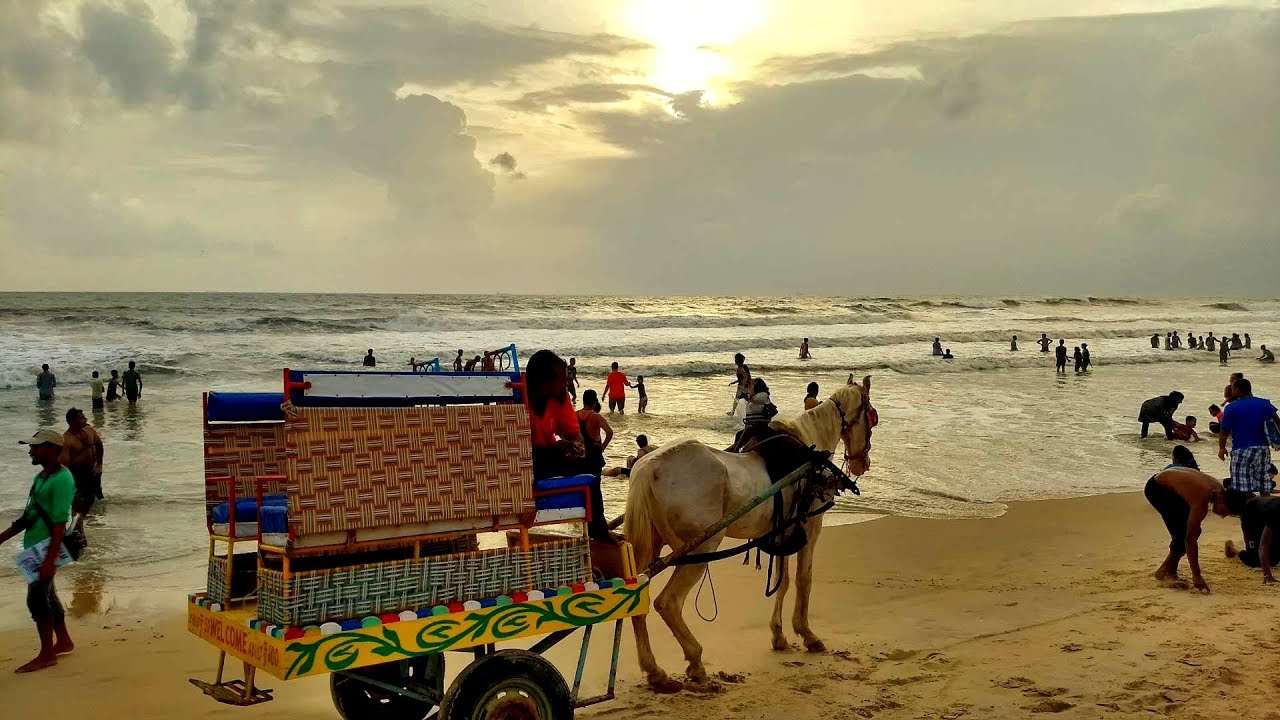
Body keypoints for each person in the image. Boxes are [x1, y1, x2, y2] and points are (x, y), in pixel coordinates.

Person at [0, 429, 77, 672]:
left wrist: (49, 560)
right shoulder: (42, 477)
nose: (31, 451)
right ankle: (63, 640)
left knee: (36, 600)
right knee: (48, 595)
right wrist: (1, 538)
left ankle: (46, 654)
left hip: (46, 548)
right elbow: (28, 516)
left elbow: (58, 523)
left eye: (35, 447)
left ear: (52, 450)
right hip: (35, 545)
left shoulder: (62, 479)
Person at [523, 350, 611, 541]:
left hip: (547, 456)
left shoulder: (560, 397)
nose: (565, 383)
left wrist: (576, 446)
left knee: (593, 459)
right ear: (544, 381)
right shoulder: (519, 396)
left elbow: (573, 432)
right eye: (561, 380)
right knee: (544, 453)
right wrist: (557, 446)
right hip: (524, 460)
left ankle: (598, 529)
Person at [1144, 446, 1243, 593]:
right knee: (1183, 535)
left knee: (1188, 532)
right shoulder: (1202, 496)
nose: (1222, 516)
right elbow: (1190, 540)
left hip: (1171, 485)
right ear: (1222, 500)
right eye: (1225, 512)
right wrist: (1197, 576)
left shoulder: (1218, 489)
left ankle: (1166, 569)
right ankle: (1165, 572)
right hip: (1158, 488)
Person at [1218, 378, 1280, 495]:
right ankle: (1265, 509)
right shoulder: (1264, 403)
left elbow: (1224, 430)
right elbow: (1278, 422)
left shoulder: (1231, 407)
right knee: (1264, 485)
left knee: (1242, 488)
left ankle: (1246, 511)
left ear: (1237, 390)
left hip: (1242, 449)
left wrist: (1222, 447)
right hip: (1262, 449)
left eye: (1232, 389)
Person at [1225, 493, 1280, 582]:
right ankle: (1232, 549)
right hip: (1250, 515)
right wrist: (1268, 576)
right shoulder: (1275, 514)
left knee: (1275, 557)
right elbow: (1263, 546)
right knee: (1254, 559)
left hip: (1265, 513)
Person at [61, 408, 104, 519]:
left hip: (93, 470)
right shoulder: (67, 439)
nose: (86, 419)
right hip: (78, 473)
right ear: (73, 421)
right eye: (82, 417)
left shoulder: (89, 430)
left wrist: (99, 464)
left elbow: (99, 445)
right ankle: (79, 524)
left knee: (97, 498)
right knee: (79, 501)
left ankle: (96, 520)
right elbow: (64, 464)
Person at [576, 390, 614, 474]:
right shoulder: (596, 416)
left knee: (580, 482)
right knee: (595, 482)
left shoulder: (575, 415)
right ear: (594, 402)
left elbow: (565, 433)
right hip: (593, 455)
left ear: (583, 401)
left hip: (579, 453)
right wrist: (603, 447)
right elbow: (610, 432)